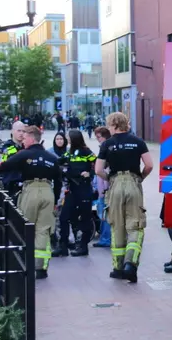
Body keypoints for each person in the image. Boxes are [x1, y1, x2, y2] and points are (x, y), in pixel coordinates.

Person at [0, 125, 61, 279]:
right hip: (48, 192)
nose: (23, 141)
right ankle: (41, 267)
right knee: (43, 230)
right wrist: (55, 200)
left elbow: (3, 166)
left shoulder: (24, 154)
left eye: (24, 138)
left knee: (25, 227)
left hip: (30, 191)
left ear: (31, 138)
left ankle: (24, 264)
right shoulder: (52, 158)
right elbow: (58, 181)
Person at [95, 112, 153, 283]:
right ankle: (131, 264)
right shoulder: (138, 141)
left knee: (117, 226)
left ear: (113, 125)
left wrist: (110, 179)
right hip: (133, 183)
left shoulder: (107, 144)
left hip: (115, 184)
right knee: (135, 226)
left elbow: (98, 170)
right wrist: (140, 177)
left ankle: (118, 268)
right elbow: (149, 165)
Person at [53, 129, 97, 257]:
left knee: (85, 218)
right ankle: (63, 246)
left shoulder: (86, 151)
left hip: (83, 188)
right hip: (72, 189)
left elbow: (99, 163)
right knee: (63, 217)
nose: (67, 140)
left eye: (69, 138)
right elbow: (59, 161)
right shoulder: (69, 152)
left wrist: (90, 173)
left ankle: (83, 247)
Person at [92, 126, 112, 248]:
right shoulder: (105, 148)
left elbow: (103, 170)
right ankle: (106, 238)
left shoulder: (106, 150)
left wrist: (104, 188)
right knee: (104, 215)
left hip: (104, 189)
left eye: (99, 137)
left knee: (105, 215)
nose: (98, 140)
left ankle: (106, 239)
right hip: (102, 188)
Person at [0, 121, 26, 200]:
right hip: (11, 183)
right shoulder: (7, 146)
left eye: (23, 131)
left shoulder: (25, 146)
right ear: (12, 131)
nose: (21, 133)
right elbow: (10, 159)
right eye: (19, 131)